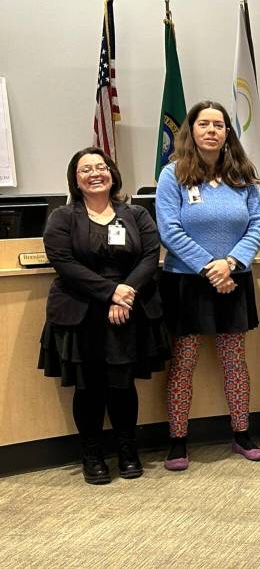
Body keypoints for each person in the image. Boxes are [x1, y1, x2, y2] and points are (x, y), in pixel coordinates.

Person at [38, 148, 168, 485]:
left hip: (128, 312)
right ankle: (92, 453)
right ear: (76, 180)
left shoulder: (136, 214)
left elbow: (150, 256)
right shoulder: (62, 218)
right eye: (86, 170)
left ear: (112, 173)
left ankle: (127, 450)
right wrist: (110, 292)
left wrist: (125, 293)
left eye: (101, 166)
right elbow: (64, 263)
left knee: (122, 386)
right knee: (89, 387)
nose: (95, 173)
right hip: (80, 315)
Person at [156, 100, 260, 470]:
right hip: (187, 282)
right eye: (204, 124)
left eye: (219, 125)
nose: (212, 131)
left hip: (233, 281)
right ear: (192, 130)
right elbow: (169, 229)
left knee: (234, 361)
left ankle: (241, 434)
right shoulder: (173, 175)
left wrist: (230, 263)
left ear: (227, 132)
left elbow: (256, 226)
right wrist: (208, 266)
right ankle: (178, 441)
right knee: (184, 362)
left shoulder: (243, 176)